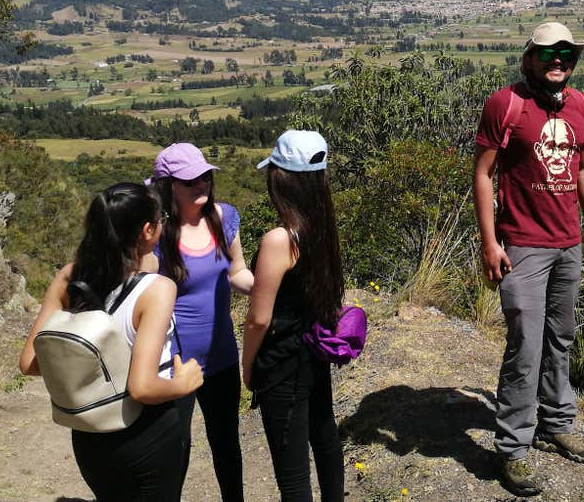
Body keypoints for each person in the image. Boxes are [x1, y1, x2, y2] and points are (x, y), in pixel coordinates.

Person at [473, 21, 584, 497]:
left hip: (568, 241)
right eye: (548, 53)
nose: (558, 61)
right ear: (529, 57)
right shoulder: (505, 104)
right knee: (525, 344)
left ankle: (557, 422)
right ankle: (513, 448)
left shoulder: (580, 104)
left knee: (560, 338)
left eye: (566, 54)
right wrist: (491, 241)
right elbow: (484, 174)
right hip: (522, 243)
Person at [20, 182, 204, 501]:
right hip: (147, 434)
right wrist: (184, 383)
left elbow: (29, 363)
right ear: (148, 231)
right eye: (160, 218)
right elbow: (143, 388)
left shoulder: (69, 278)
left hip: (90, 433)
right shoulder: (156, 290)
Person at [241, 130, 345, 502]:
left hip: (282, 363)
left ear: (281, 179)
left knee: (293, 473)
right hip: (312, 355)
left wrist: (247, 367)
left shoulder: (279, 239)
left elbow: (258, 319)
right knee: (325, 438)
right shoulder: (321, 226)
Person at [149, 143, 253, 501]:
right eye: (190, 179)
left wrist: (268, 289)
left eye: (205, 176)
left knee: (227, 444)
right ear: (168, 186)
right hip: (174, 363)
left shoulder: (223, 218)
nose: (202, 184)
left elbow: (237, 273)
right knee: (175, 449)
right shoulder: (157, 235)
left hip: (222, 355)